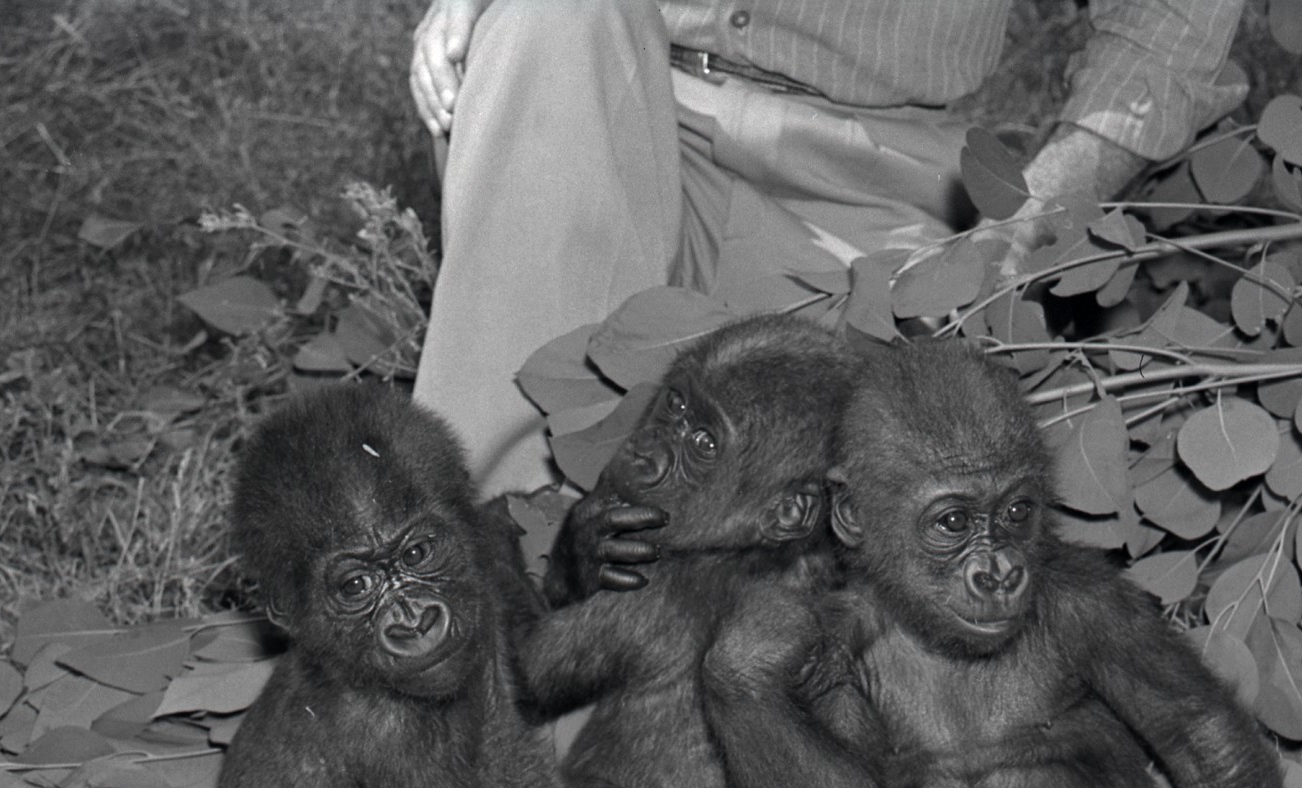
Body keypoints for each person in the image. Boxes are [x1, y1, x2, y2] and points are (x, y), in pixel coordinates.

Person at [408, 0, 1247, 497]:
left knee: (840, 554)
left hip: (870, 175)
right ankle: (454, 595)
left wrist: (1028, 219)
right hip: (610, 79)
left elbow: (1168, 22)